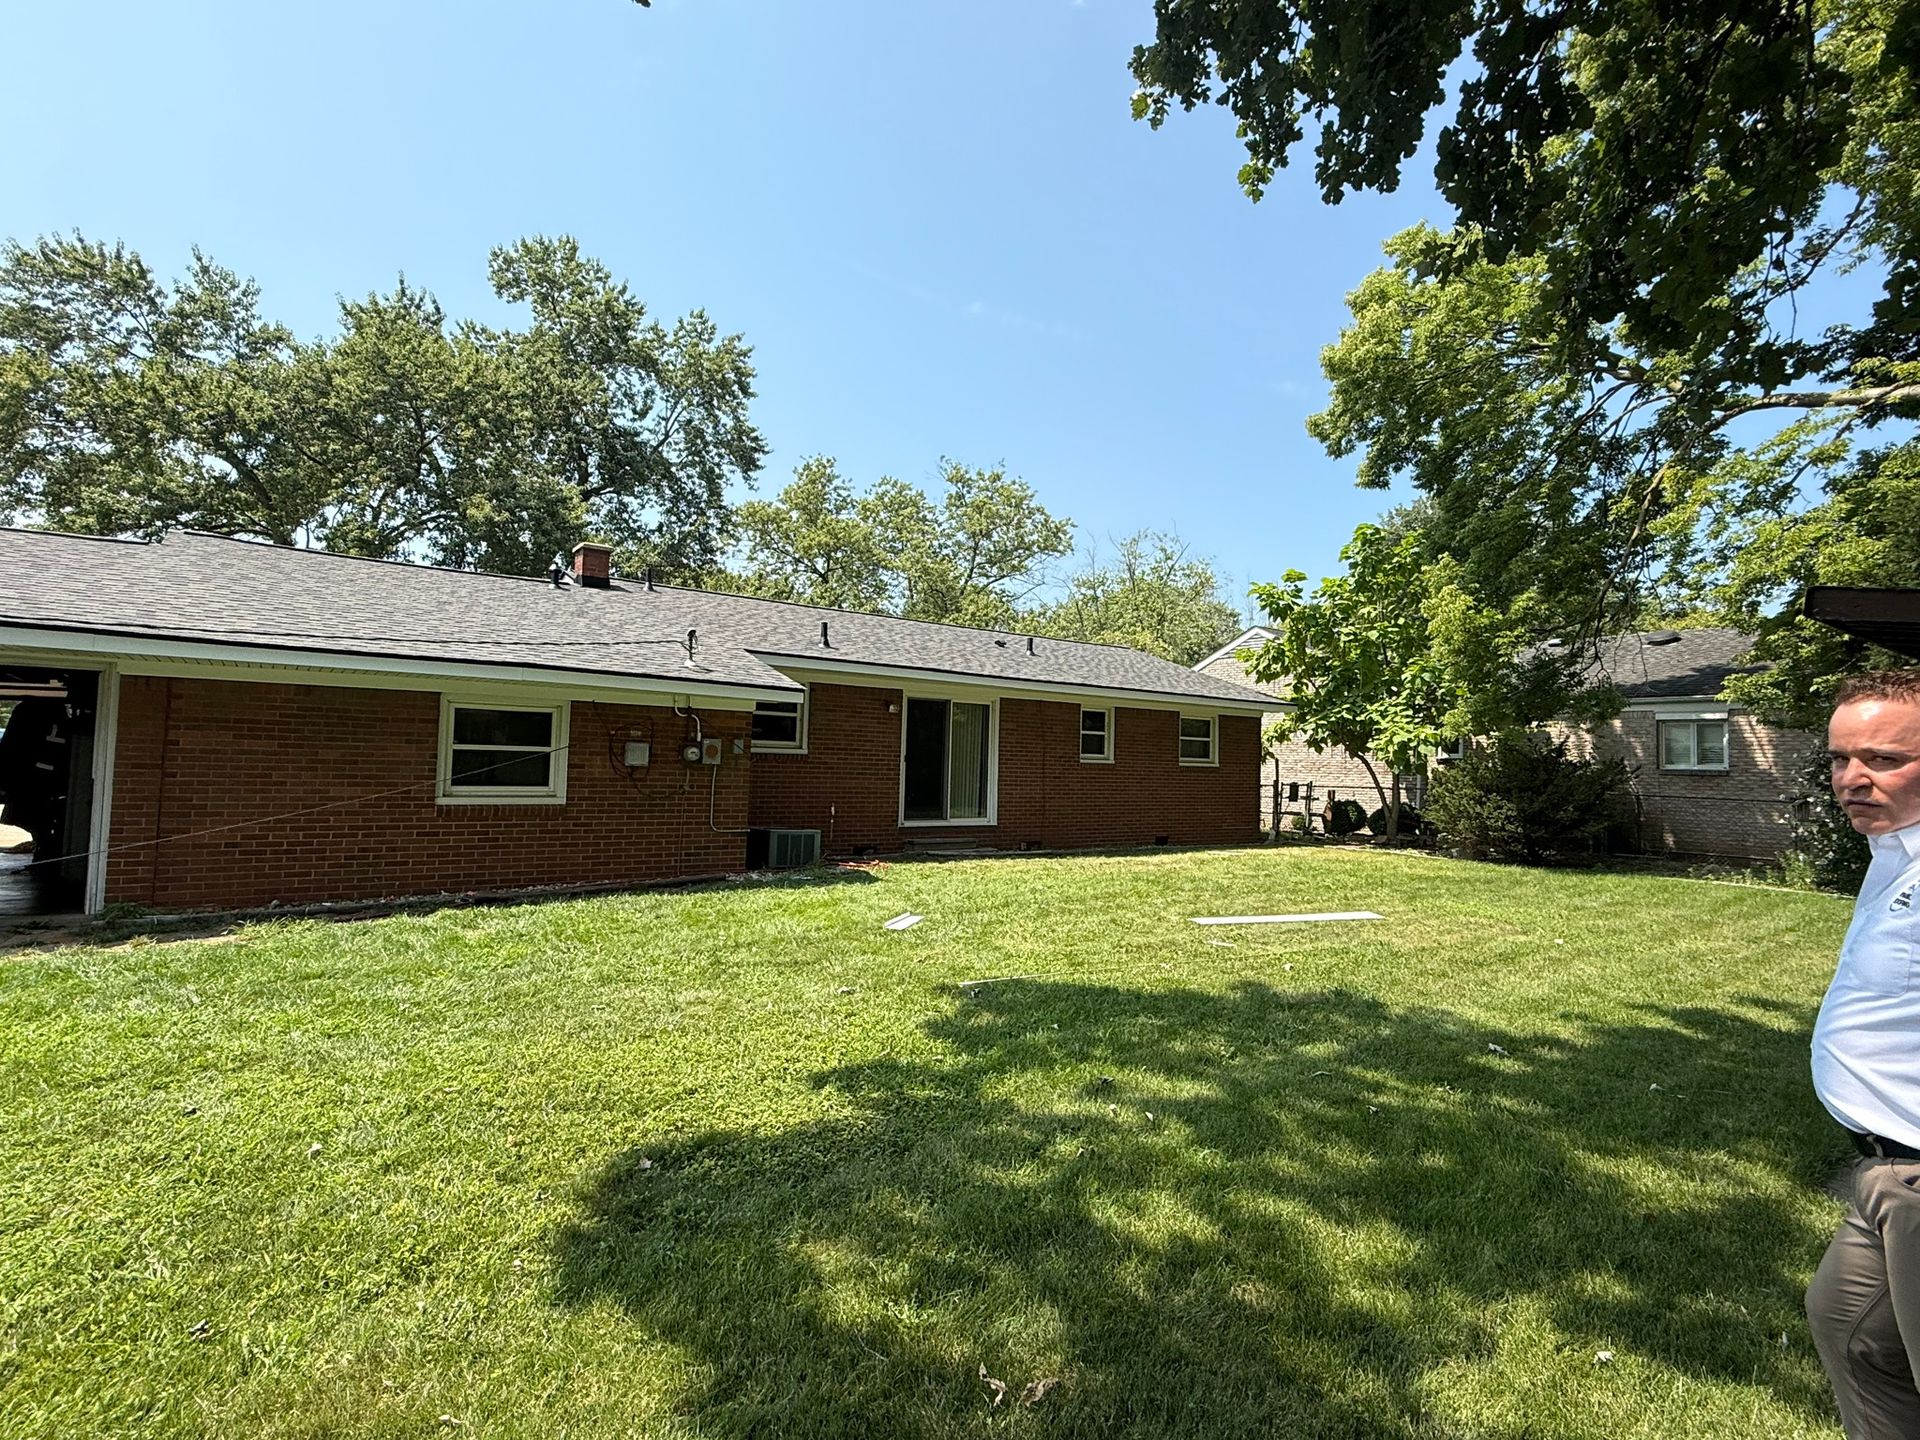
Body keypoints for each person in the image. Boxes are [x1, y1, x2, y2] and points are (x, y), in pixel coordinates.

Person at [1808, 669, 1920, 1437]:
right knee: (1850, 1326)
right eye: (1841, 760)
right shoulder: (1893, 855)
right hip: (1883, 1169)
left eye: (1882, 759)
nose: (1852, 778)